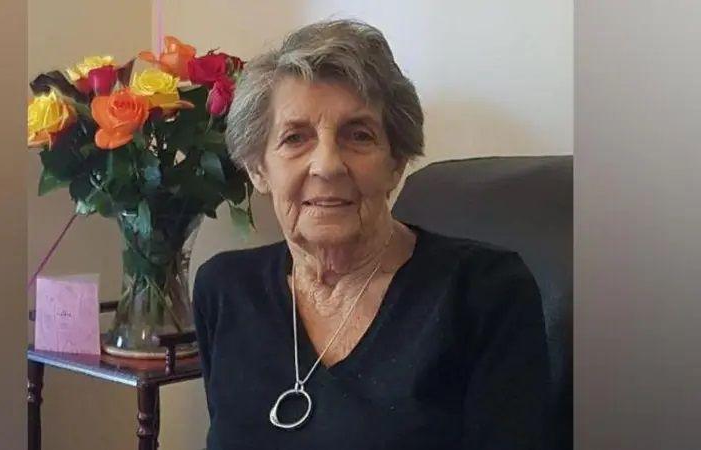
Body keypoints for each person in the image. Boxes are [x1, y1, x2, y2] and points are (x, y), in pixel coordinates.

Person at [192, 19, 549, 450]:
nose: (327, 165)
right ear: (257, 168)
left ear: (396, 162)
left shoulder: (485, 292)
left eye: (358, 135)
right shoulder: (225, 290)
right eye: (295, 138)